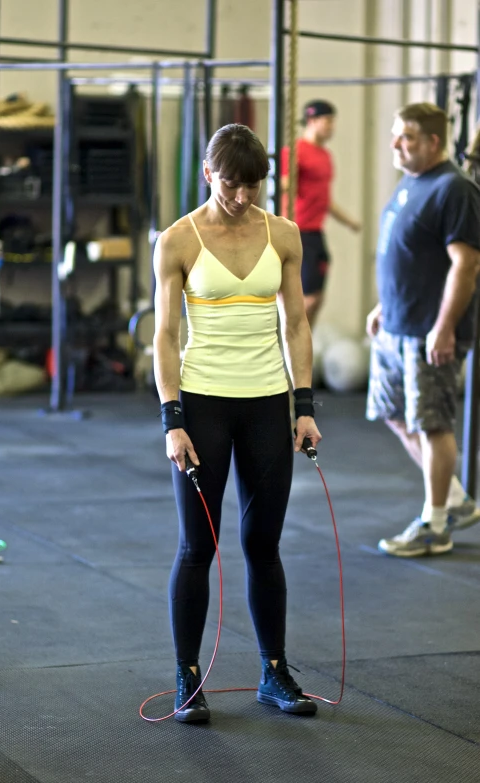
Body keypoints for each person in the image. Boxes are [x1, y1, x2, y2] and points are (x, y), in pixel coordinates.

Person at [153, 124, 322, 723]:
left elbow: (297, 325)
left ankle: (274, 673)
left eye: (252, 185)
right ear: (207, 173)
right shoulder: (177, 240)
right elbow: (166, 336)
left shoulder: (285, 234)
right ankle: (187, 678)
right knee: (198, 546)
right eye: (231, 184)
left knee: (263, 544)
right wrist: (173, 418)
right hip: (202, 405)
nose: (242, 196)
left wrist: (304, 406)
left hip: (266, 404)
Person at [366, 102, 480, 557]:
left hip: (427, 332)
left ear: (433, 142)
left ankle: (436, 525)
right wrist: (383, 305)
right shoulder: (412, 183)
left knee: (432, 424)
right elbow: (410, 254)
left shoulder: (455, 189)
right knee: (394, 413)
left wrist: (445, 327)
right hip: (395, 324)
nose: (396, 144)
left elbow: (466, 264)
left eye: (407, 137)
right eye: (395, 135)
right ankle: (454, 499)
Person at [281, 99, 361, 327]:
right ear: (312, 121)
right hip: (298, 231)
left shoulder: (325, 156)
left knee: (318, 298)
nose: (331, 127)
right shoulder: (294, 152)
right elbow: (284, 186)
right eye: (327, 121)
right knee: (308, 299)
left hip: (316, 233)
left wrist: (349, 222)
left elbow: (324, 200)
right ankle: (293, 352)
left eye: (332, 122)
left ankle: (305, 349)